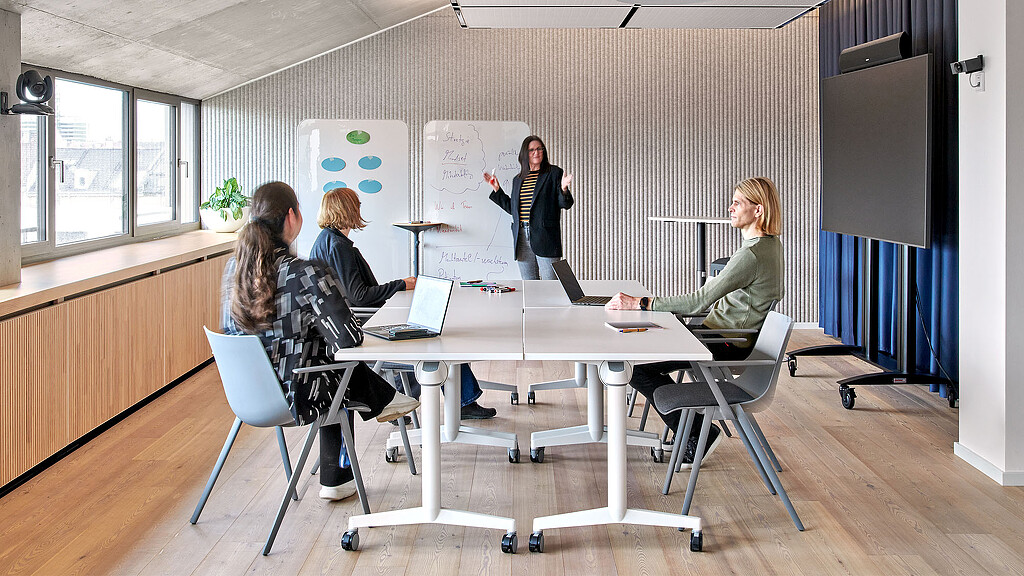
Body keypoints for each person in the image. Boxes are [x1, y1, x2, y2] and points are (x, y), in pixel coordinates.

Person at [221, 181, 420, 502]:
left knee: (319, 357)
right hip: (299, 396)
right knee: (335, 363)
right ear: (291, 217)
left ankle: (383, 401)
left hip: (247, 394)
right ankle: (338, 474)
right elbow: (350, 338)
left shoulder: (235, 270)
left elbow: (234, 332)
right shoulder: (307, 273)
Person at [606, 176, 785, 467]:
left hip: (723, 342)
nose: (730, 208)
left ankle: (697, 432)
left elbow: (699, 301)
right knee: (642, 351)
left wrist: (642, 303)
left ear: (758, 211)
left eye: (737, 203)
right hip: (721, 334)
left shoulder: (751, 255)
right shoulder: (770, 246)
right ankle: (691, 430)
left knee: (636, 371)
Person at [309, 187, 497, 420]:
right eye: (356, 204)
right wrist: (401, 284)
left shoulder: (326, 241)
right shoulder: (339, 247)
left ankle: (403, 400)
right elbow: (359, 296)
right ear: (348, 209)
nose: (359, 208)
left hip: (353, 321)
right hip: (365, 321)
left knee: (429, 334)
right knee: (436, 338)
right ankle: (460, 402)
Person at [483, 135, 574, 280]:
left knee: (550, 286)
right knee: (529, 286)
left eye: (539, 149)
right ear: (525, 154)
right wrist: (497, 190)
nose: (536, 152)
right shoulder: (518, 179)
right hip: (521, 237)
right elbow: (513, 210)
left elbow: (565, 204)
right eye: (531, 150)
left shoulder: (554, 173)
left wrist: (563, 188)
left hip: (545, 237)